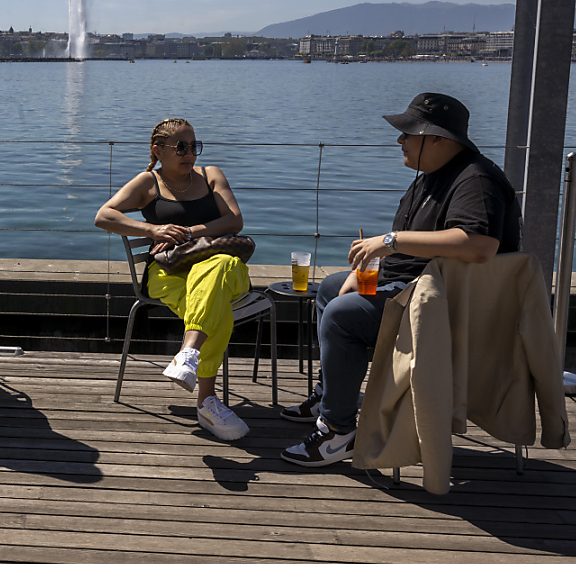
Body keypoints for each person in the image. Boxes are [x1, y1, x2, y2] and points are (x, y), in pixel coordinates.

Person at [281, 92, 522, 467]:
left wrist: (390, 242)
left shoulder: (476, 180)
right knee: (331, 288)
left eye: (408, 134)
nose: (400, 141)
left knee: (343, 315)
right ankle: (332, 393)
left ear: (438, 139)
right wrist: (367, 269)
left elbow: (479, 245)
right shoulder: (432, 177)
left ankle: (338, 430)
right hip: (416, 290)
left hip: (445, 310)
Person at [95, 118, 252, 441]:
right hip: (167, 274)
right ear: (158, 150)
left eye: (194, 146)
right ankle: (207, 402)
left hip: (224, 268)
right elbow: (104, 216)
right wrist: (152, 230)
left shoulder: (211, 176)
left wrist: (189, 233)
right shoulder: (147, 182)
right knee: (214, 308)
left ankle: (189, 353)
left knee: (216, 268)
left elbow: (234, 220)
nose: (189, 153)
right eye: (181, 147)